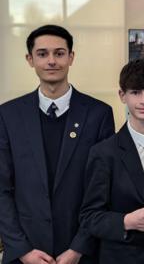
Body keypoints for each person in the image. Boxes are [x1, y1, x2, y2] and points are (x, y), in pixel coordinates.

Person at [0, 24, 115, 264]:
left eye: (59, 53)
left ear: (71, 57)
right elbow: (2, 189)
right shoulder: (8, 115)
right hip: (25, 254)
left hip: (81, 254)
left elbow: (103, 189)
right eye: (42, 54)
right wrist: (22, 250)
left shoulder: (98, 114)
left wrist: (78, 248)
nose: (51, 61)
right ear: (30, 59)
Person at [79, 59, 144, 264]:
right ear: (122, 95)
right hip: (126, 257)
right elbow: (89, 217)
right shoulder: (104, 152)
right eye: (135, 92)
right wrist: (127, 221)